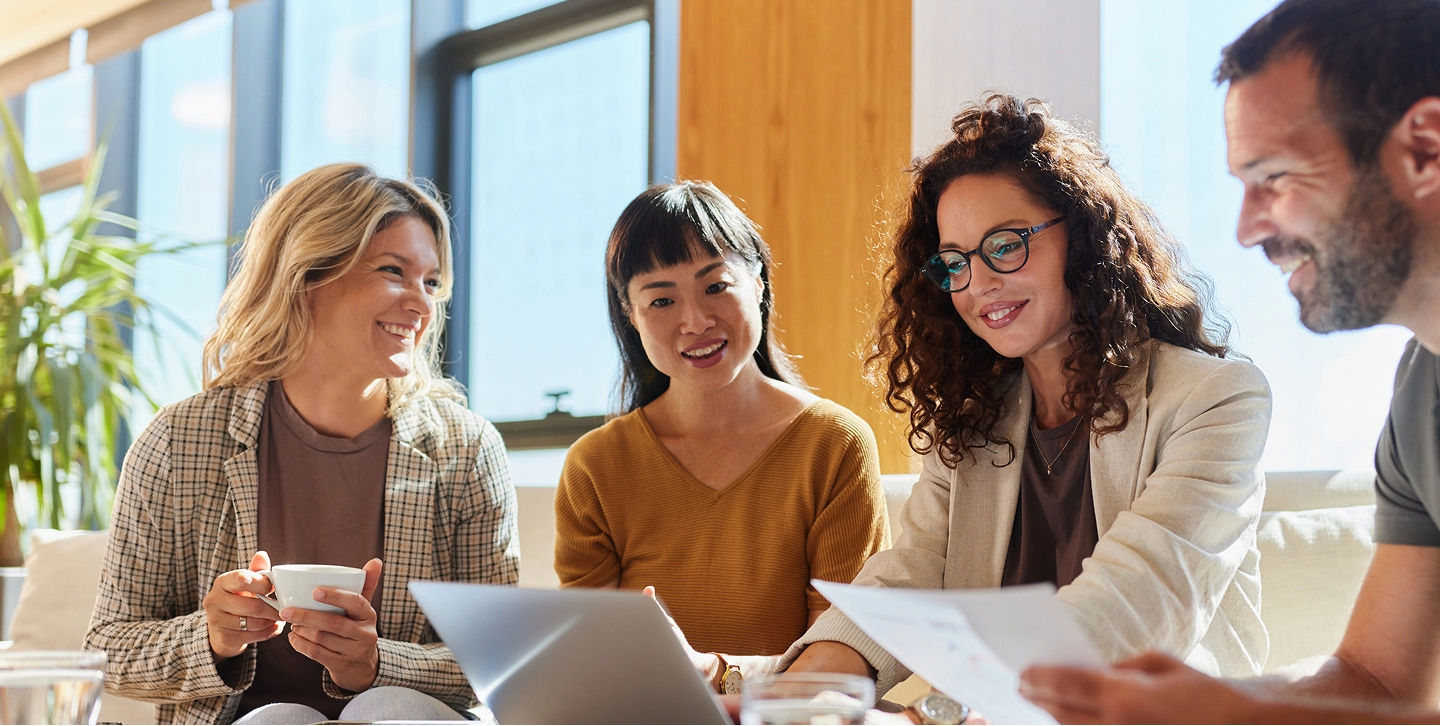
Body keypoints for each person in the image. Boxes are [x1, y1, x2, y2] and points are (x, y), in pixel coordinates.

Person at [1018, 1, 1440, 723]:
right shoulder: (1419, 389)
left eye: (1274, 177)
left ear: (1426, 150)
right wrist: (1205, 703)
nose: (1247, 229)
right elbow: (1376, 679)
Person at [777, 93, 1274, 700]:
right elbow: (908, 579)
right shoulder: (969, 421)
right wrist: (799, 694)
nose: (979, 283)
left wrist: (939, 713)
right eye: (954, 261)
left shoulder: (1215, 399)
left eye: (1006, 245)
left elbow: (1138, 603)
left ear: (1085, 237)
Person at [85, 163, 520, 724]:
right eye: (394, 271)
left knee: (386, 707)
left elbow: (501, 660)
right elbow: (107, 651)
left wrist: (375, 664)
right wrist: (212, 636)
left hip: (401, 718)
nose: (422, 304)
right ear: (307, 274)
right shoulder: (179, 441)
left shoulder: (466, 449)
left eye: (431, 282)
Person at [553, 180, 890, 691]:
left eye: (716, 286)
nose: (696, 321)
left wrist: (718, 675)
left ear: (758, 283)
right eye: (661, 300)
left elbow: (841, 653)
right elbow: (593, 663)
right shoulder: (596, 466)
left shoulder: (835, 443)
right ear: (631, 315)